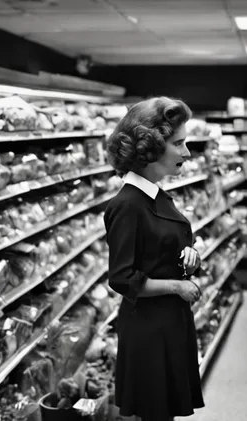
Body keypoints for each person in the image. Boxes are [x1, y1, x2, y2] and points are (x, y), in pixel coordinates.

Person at [103, 96, 205, 421]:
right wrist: (176, 286)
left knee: (166, 411)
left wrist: (189, 255)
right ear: (151, 147)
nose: (187, 153)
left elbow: (161, 247)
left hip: (168, 321)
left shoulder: (155, 193)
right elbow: (122, 278)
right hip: (148, 328)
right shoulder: (128, 205)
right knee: (156, 412)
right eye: (179, 143)